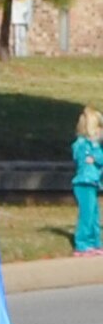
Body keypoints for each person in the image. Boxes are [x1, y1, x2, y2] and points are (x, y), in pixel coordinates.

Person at [72, 107, 103, 254]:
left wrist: (96, 152)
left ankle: (95, 242)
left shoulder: (96, 147)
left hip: (93, 183)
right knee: (87, 214)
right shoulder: (81, 144)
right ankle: (82, 243)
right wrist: (93, 149)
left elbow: (100, 159)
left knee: (95, 214)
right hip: (83, 183)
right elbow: (82, 158)